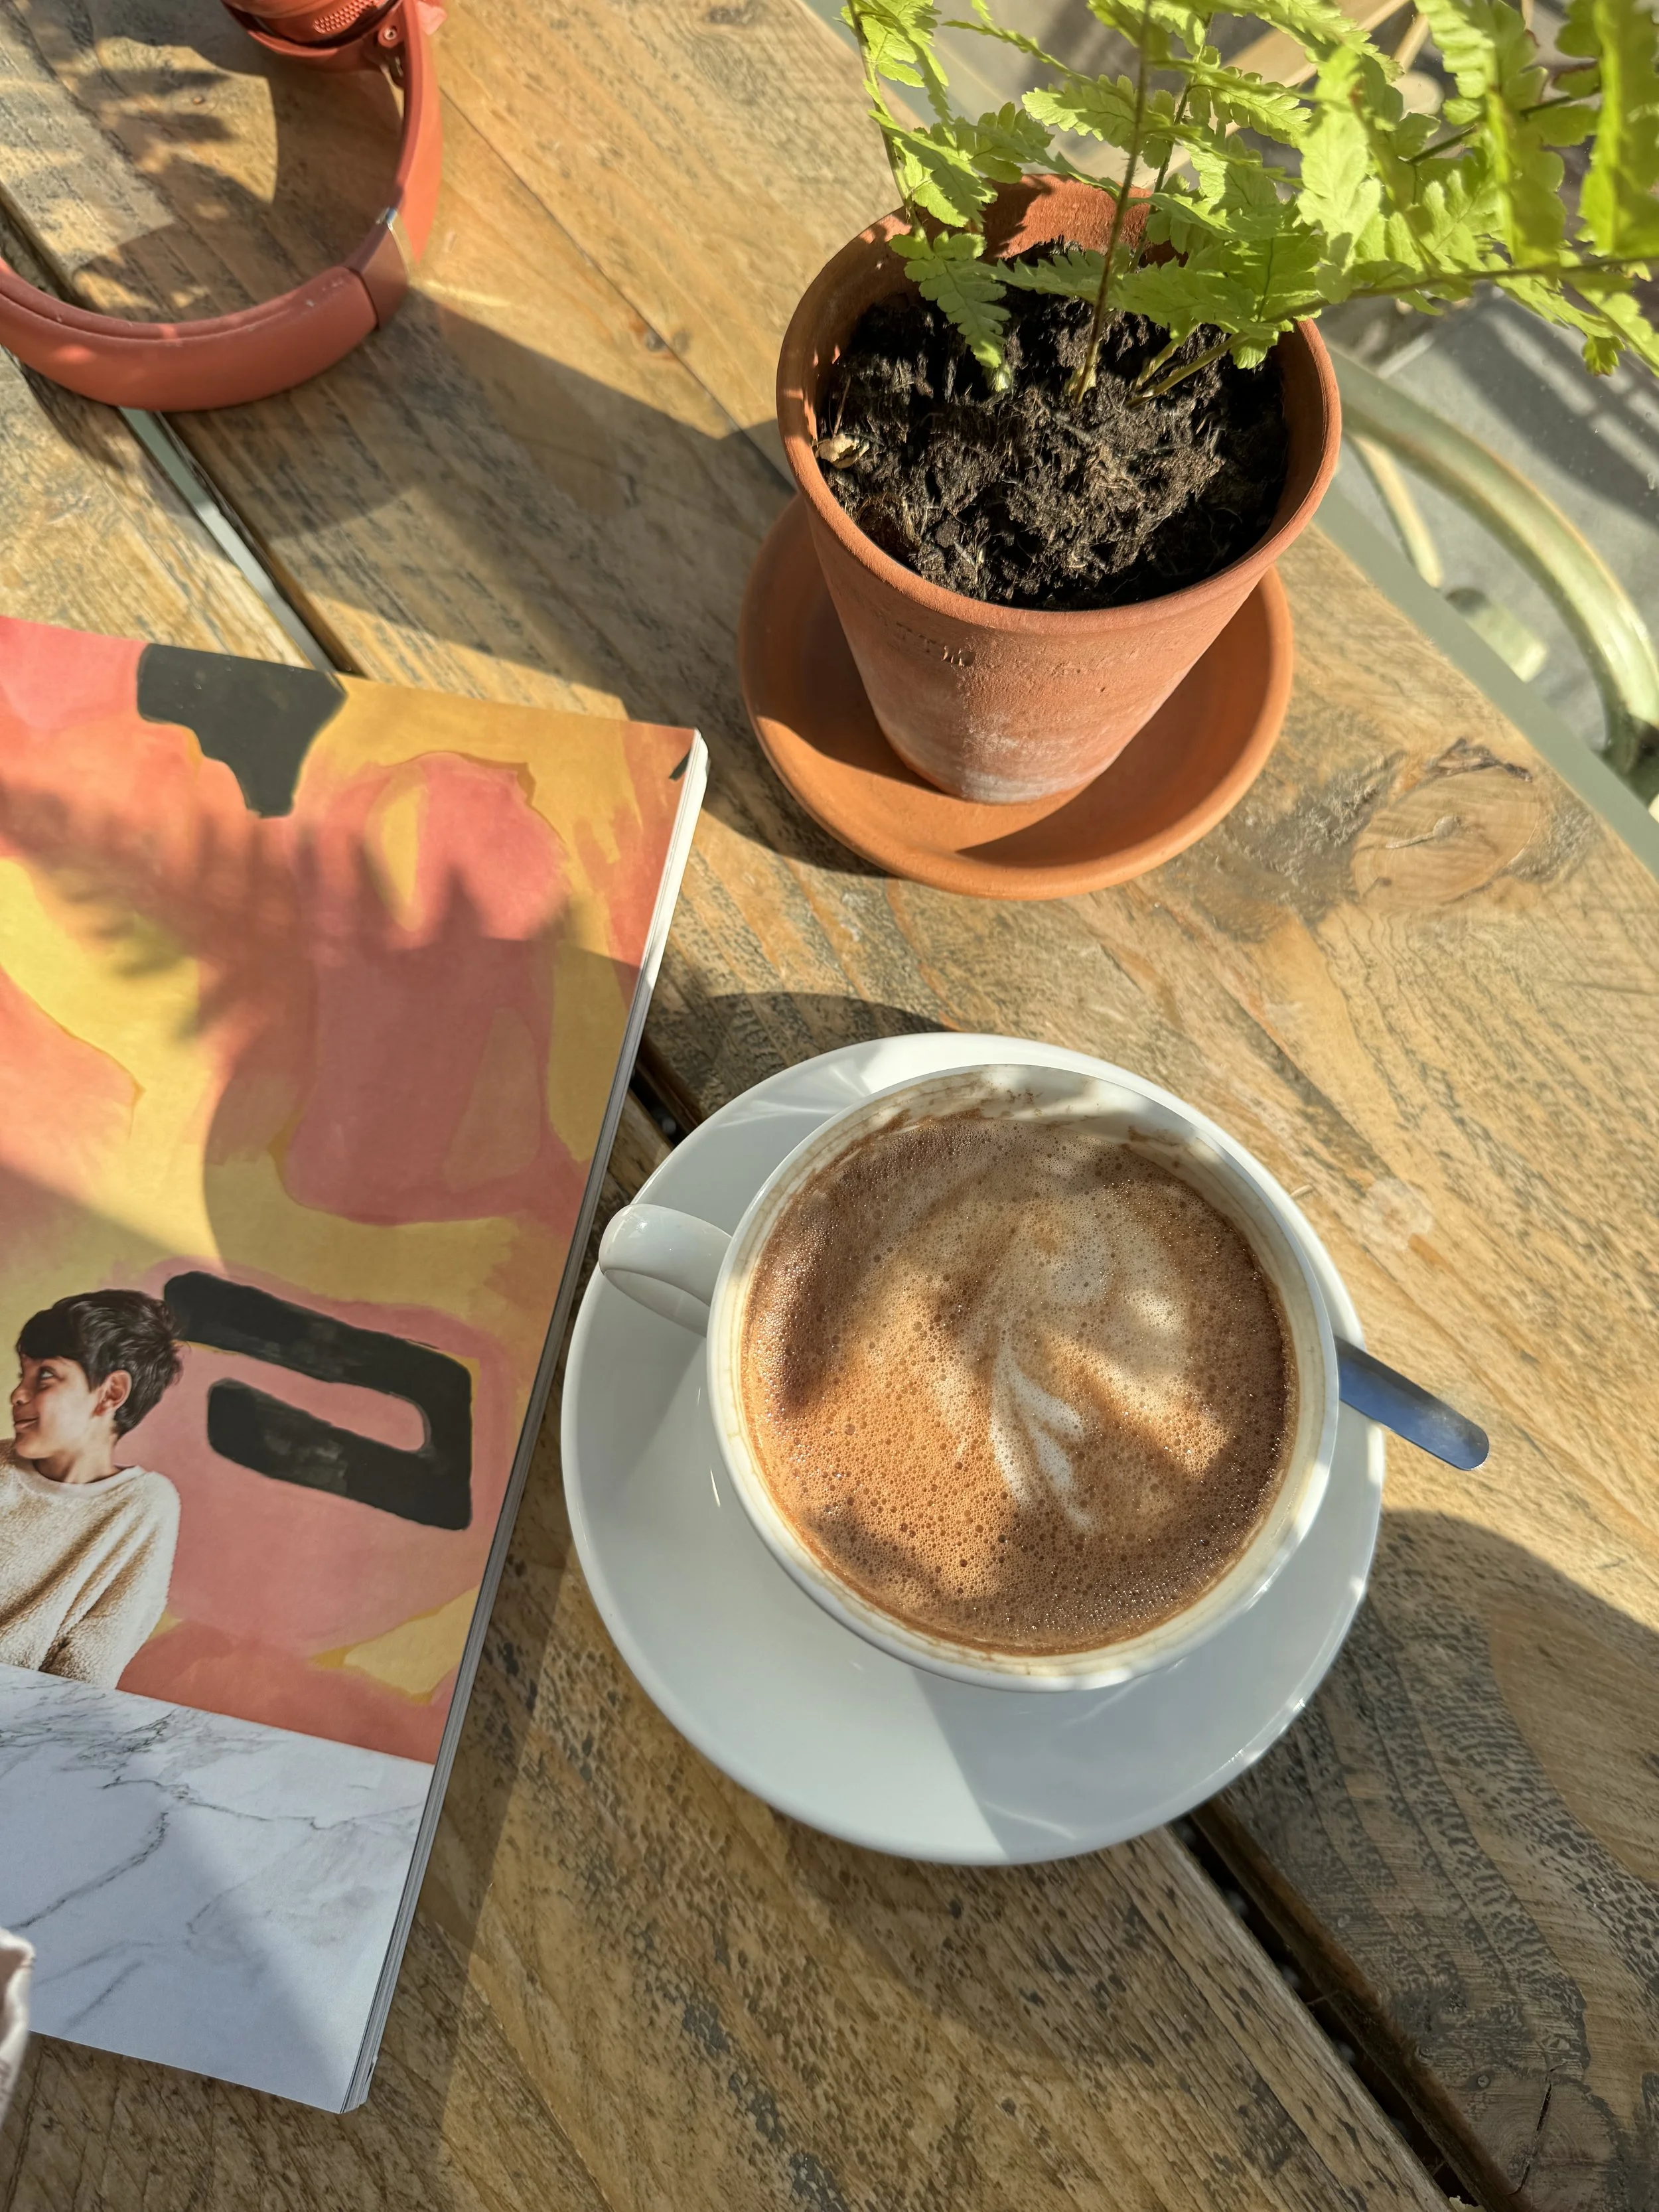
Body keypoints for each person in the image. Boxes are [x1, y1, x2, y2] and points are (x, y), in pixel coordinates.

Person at [0, 1291, 183, 1688]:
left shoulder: (142, 1508)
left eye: (45, 1375)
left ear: (111, 1393)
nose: (18, 1394)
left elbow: (90, 1667)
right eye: (22, 1375)